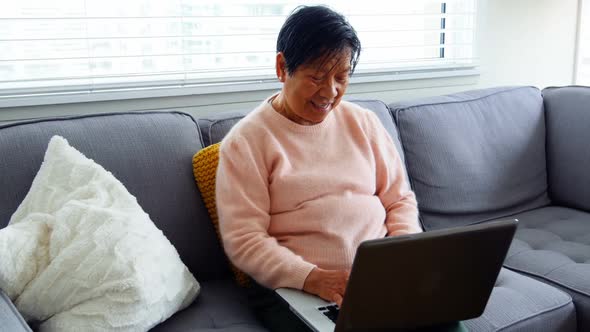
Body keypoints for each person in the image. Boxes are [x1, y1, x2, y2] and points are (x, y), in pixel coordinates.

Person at [216, 5, 466, 332]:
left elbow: (399, 201)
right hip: (296, 288)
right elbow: (244, 240)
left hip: (380, 280)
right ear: (282, 67)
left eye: (341, 76)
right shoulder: (246, 142)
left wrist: (402, 255)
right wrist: (312, 278)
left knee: (450, 325)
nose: (330, 91)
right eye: (317, 77)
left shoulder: (363, 122)